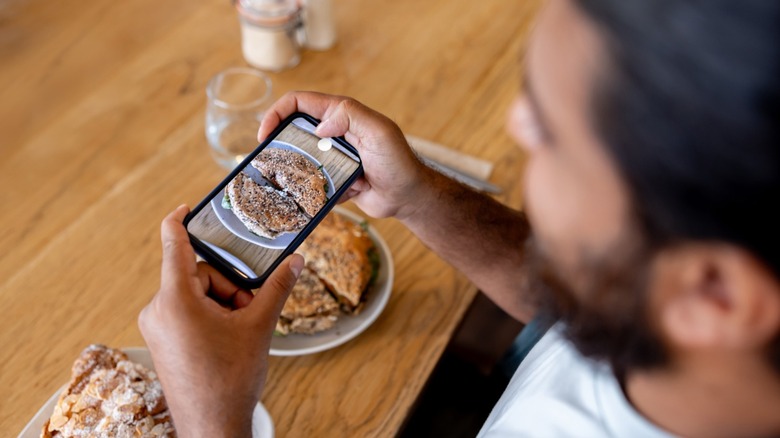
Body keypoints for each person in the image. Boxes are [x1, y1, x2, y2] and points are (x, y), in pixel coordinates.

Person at [139, 0, 780, 436]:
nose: (514, 124)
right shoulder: (660, 315)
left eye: (553, 136)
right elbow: (595, 289)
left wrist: (213, 422)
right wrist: (417, 196)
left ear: (714, 292)